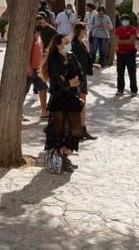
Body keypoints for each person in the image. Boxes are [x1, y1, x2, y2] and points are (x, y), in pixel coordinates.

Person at [41, 34, 84, 173]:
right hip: (58, 99)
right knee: (58, 131)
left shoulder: (71, 56)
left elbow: (80, 74)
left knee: (76, 130)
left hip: (72, 97)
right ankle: (62, 159)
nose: (68, 44)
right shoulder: (53, 59)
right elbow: (56, 81)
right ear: (59, 44)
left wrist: (67, 80)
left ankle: (65, 153)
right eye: (66, 42)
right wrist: (69, 81)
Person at [70, 23, 97, 140]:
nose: (86, 31)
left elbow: (84, 59)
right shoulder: (74, 44)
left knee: (83, 104)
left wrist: (92, 65)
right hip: (78, 77)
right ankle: (76, 130)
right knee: (78, 104)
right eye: (85, 29)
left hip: (83, 76)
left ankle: (82, 129)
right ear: (81, 30)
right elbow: (74, 62)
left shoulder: (81, 42)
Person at [25, 21, 47, 121]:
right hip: (30, 70)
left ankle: (43, 111)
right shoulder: (30, 37)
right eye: (39, 22)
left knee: (43, 88)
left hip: (38, 69)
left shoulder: (39, 36)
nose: (42, 23)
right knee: (23, 92)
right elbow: (27, 53)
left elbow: (40, 52)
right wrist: (28, 68)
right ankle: (19, 113)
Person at [113, 14, 139, 96]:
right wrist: (124, 41)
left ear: (129, 21)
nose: (125, 21)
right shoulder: (118, 29)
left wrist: (120, 41)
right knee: (120, 72)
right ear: (121, 21)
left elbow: (131, 41)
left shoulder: (133, 29)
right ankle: (120, 89)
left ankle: (133, 90)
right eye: (123, 19)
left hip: (130, 52)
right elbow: (116, 39)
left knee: (131, 72)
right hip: (120, 53)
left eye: (126, 20)